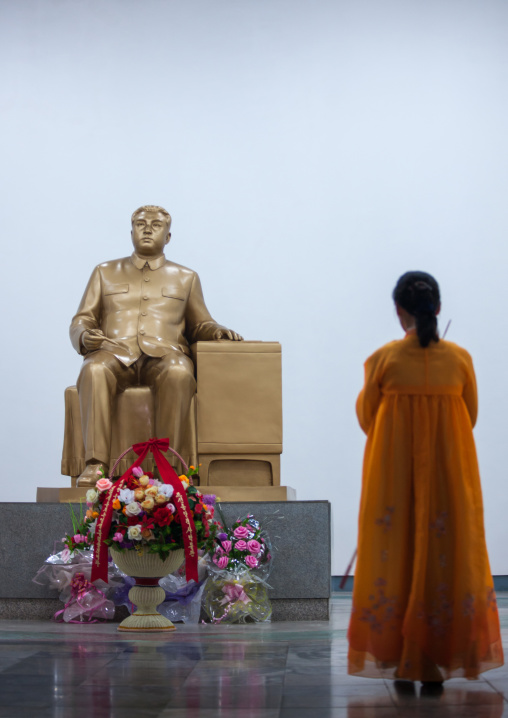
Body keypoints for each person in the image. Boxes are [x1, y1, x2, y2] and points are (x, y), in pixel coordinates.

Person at [348, 271, 503, 688]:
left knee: (396, 553)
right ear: (437, 309)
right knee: (447, 554)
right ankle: (435, 660)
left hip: (392, 477)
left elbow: (368, 418)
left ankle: (401, 659)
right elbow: (468, 416)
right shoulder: (460, 359)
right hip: (452, 476)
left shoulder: (383, 359)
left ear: (399, 312)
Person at [70, 205, 242, 487]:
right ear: (131, 232)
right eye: (140, 224)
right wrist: (83, 335)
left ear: (169, 236)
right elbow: (83, 318)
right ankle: (95, 465)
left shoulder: (186, 277)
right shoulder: (104, 272)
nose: (147, 228)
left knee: (179, 372)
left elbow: (199, 324)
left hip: (165, 355)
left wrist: (217, 330)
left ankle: (170, 465)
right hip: (114, 353)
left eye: (156, 225)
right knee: (93, 369)